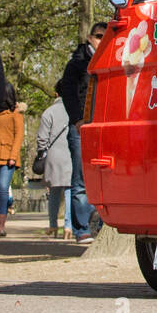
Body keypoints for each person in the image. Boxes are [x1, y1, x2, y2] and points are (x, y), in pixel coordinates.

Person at [60, 23, 107, 244]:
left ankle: (101, 223)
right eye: (99, 36)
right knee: (80, 178)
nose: (102, 40)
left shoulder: (112, 58)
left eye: (106, 37)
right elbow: (66, 91)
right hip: (80, 126)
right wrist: (77, 119)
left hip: (104, 126)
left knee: (104, 175)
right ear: (90, 38)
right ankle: (81, 229)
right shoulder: (76, 63)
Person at [37, 79, 73, 240]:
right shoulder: (74, 110)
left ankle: (53, 225)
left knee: (53, 193)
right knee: (70, 191)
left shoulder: (48, 112)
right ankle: (68, 225)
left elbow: (42, 138)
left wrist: (41, 153)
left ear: (56, 93)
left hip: (53, 156)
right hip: (71, 153)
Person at [0, 81, 24, 238]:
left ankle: (0, 226)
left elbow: (18, 137)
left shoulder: (15, 116)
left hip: (8, 159)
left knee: (2, 189)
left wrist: (12, 156)